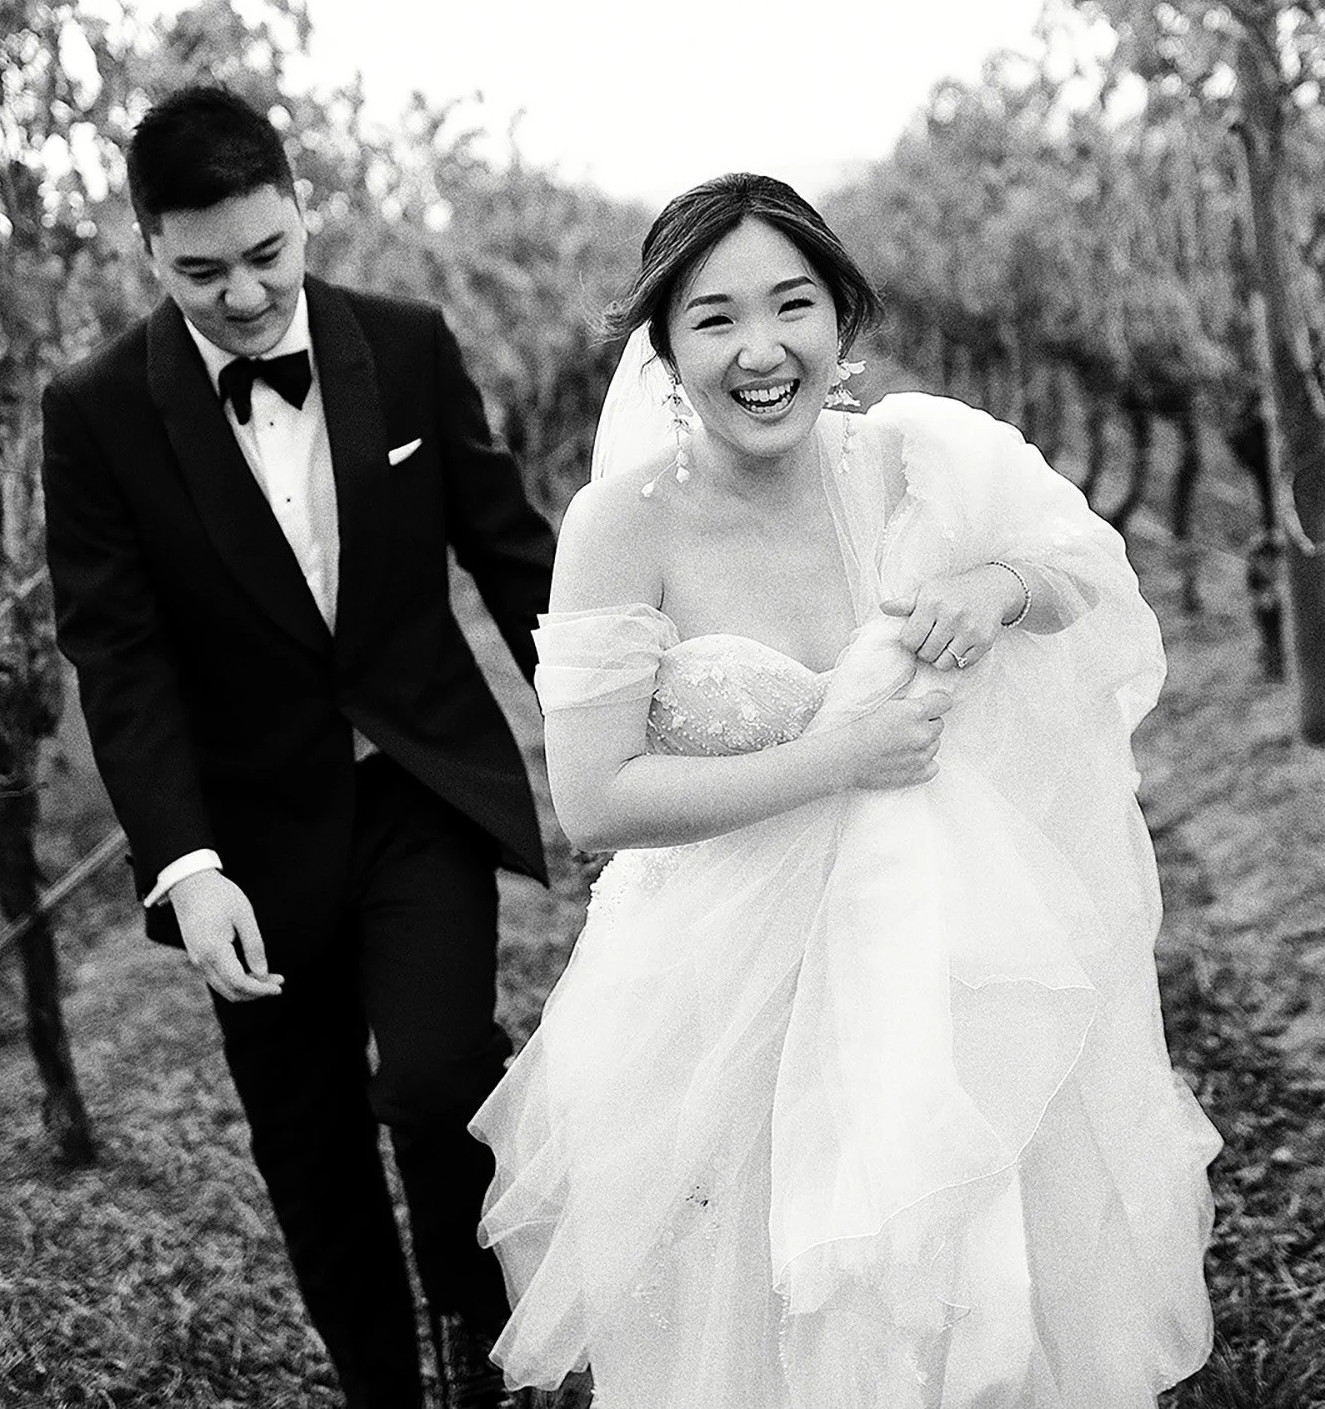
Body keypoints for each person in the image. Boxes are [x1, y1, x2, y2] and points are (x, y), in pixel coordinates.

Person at [471, 174, 1219, 1407]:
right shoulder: (620, 525)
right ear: (661, 346)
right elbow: (596, 800)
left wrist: (993, 594)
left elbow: (1080, 561)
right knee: (757, 1318)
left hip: (932, 953)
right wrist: (841, 757)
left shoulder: (919, 459)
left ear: (842, 322)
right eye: (712, 319)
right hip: (718, 988)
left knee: (960, 1297)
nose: (760, 351)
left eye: (793, 306)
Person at [42, 84, 557, 1409]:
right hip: (247, 837)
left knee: (441, 1078)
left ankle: (476, 1336)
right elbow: (122, 656)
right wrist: (186, 864)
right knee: (310, 1152)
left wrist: (621, 719)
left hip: (416, 790)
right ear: (148, 249)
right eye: (203, 272)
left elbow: (507, 551)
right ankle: (382, 1388)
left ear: (299, 215)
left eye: (268, 256)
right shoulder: (94, 412)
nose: (247, 296)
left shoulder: (409, 343)